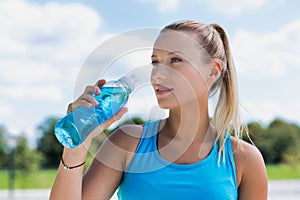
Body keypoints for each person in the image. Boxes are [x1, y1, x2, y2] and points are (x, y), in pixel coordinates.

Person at [50, 20, 268, 200]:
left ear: (213, 71)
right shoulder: (126, 144)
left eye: (175, 60)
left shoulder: (244, 159)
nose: (157, 75)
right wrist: (76, 146)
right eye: (155, 62)